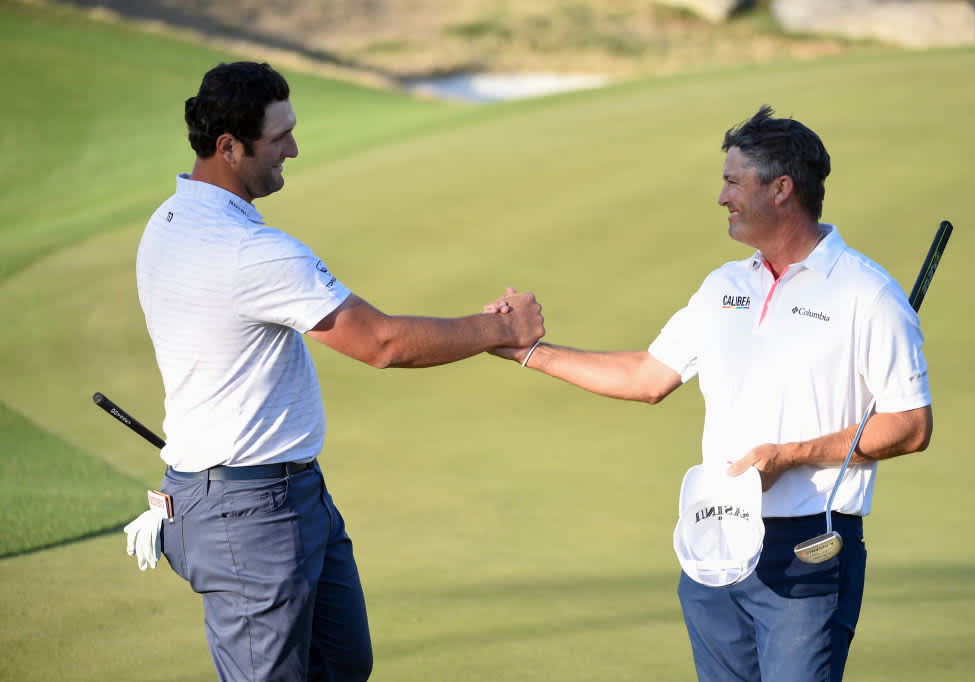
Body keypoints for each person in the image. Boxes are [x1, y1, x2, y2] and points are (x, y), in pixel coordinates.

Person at [125, 61, 544, 682]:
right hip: (249, 511)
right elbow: (382, 342)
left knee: (342, 663)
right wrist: (504, 330)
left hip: (277, 495)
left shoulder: (168, 220)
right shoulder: (252, 252)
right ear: (228, 147)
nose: (294, 148)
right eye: (279, 138)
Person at [488, 105, 933, 681]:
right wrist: (522, 349)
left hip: (808, 546)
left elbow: (911, 425)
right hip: (715, 538)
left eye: (731, 181)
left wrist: (791, 455)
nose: (721, 197)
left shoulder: (868, 295)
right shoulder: (725, 286)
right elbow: (648, 376)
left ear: (780, 189)